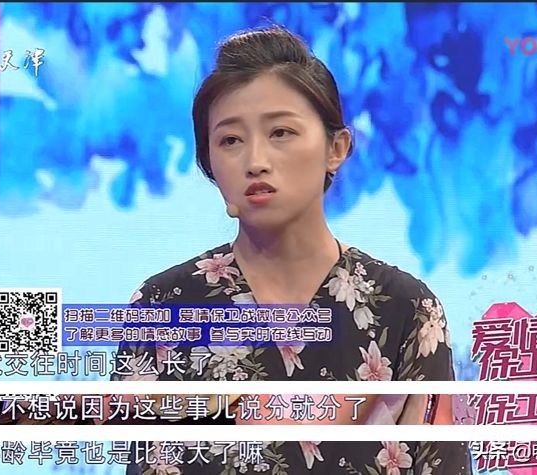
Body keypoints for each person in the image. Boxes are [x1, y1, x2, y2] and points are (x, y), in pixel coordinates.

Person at [112, 25, 472, 475]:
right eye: (230, 140)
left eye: (281, 132)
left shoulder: (405, 310)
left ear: (336, 148)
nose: (255, 161)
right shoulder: (164, 306)